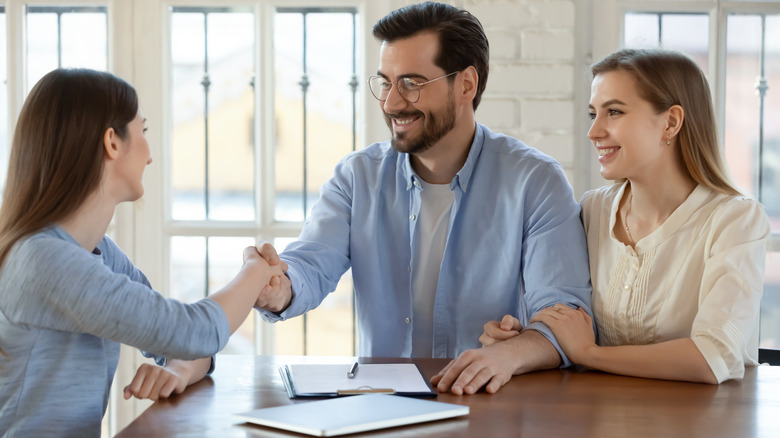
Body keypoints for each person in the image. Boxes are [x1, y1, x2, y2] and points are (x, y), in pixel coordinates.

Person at [253, 1, 592, 395]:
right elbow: (310, 265)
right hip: (380, 408)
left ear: (466, 84)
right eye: (385, 82)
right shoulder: (356, 177)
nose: (392, 102)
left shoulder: (534, 180)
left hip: (488, 405)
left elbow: (566, 313)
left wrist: (512, 352)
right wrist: (278, 287)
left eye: (411, 84)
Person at [0, 68, 285, 436]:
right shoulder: (44, 261)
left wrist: (177, 370)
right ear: (112, 143)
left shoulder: (97, 251)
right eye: (143, 131)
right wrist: (256, 269)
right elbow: (193, 332)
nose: (150, 155)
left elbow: (178, 342)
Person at [482, 48, 770, 384]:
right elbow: (566, 321)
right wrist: (522, 338)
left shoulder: (734, 220)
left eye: (614, 112)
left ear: (671, 122)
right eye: (594, 114)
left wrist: (589, 354)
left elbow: (715, 356)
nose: (594, 132)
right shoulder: (593, 211)